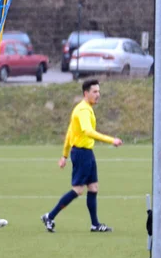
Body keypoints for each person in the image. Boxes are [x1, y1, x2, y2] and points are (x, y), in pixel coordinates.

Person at [41, 79, 123, 233]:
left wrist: (64, 156)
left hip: (87, 153)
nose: (98, 94)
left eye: (99, 91)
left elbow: (69, 133)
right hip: (81, 154)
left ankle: (95, 224)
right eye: (94, 92)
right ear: (86, 93)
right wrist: (111, 140)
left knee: (93, 187)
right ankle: (49, 216)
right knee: (78, 190)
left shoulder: (83, 108)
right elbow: (88, 131)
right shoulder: (83, 110)